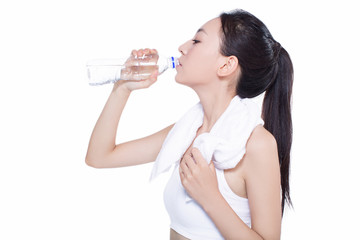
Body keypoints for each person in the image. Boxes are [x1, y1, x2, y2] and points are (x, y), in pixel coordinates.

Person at [86, 9, 293, 240]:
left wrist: (210, 198)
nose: (183, 47)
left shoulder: (257, 144)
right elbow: (99, 157)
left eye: (197, 40)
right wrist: (123, 87)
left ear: (226, 66)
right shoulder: (186, 132)